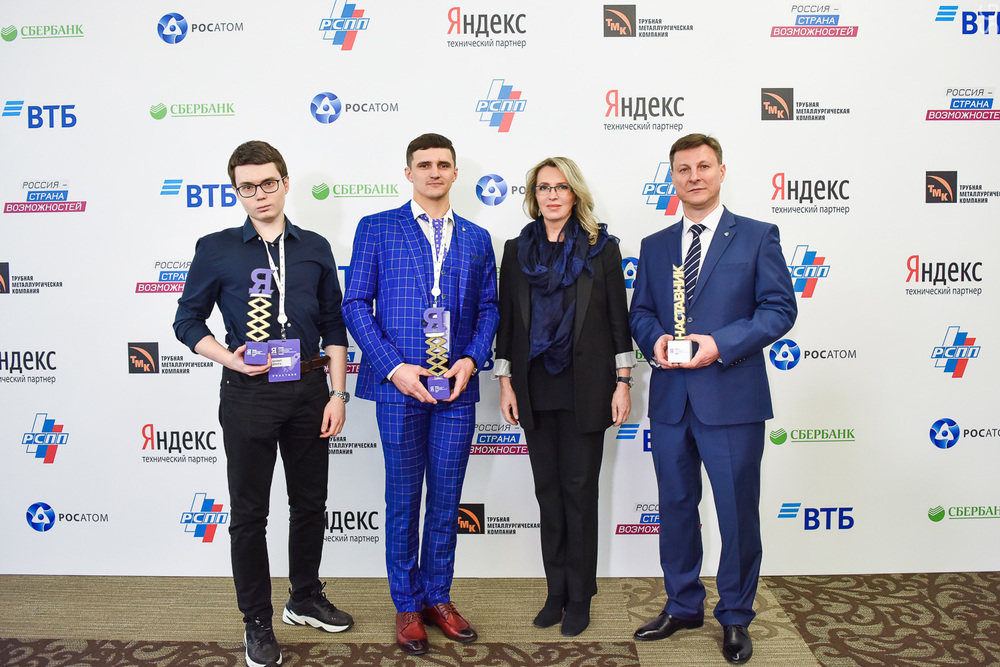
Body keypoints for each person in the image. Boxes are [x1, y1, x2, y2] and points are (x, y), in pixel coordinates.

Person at [173, 140, 353, 667]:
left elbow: (333, 324)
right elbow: (186, 321)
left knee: (310, 503)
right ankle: (257, 621)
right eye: (247, 187)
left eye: (268, 183)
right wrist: (228, 358)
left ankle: (305, 597)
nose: (260, 194)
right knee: (250, 515)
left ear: (285, 183)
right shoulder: (217, 248)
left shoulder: (314, 246)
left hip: (309, 389)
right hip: (249, 394)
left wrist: (337, 393)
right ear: (236, 191)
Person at [628, 134, 797, 665]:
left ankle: (736, 616)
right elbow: (640, 311)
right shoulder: (655, 245)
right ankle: (682, 605)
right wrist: (654, 339)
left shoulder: (757, 236)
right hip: (671, 401)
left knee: (736, 513)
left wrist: (720, 344)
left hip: (732, 399)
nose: (694, 176)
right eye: (683, 169)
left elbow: (779, 310)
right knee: (676, 507)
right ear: (672, 178)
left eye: (703, 166)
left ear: (722, 171)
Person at [342, 133, 499, 656]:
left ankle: (438, 598)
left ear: (455, 173)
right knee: (404, 498)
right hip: (399, 388)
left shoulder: (477, 238)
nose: (434, 172)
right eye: (424, 164)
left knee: (447, 499)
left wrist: (471, 359)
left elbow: (489, 309)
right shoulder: (377, 227)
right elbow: (355, 304)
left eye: (443, 164)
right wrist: (392, 368)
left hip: (455, 387)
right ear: (408, 172)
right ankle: (407, 603)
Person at [494, 157, 633, 636]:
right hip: (534, 389)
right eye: (543, 188)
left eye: (561, 187)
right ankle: (555, 592)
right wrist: (505, 381)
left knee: (579, 493)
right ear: (534, 196)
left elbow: (618, 321)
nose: (552, 195)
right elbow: (507, 324)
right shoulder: (517, 250)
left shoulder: (601, 249)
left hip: (587, 389)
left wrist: (623, 382)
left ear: (575, 194)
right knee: (548, 495)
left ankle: (580, 596)